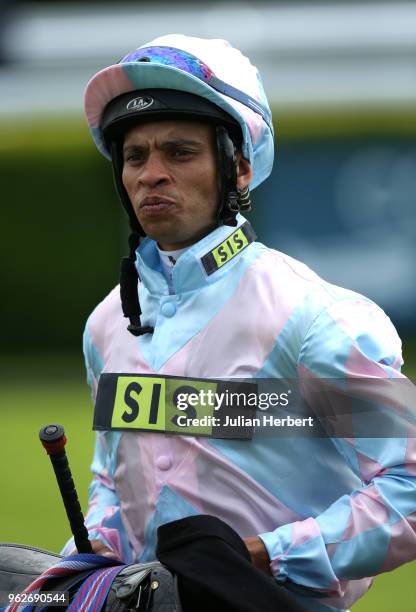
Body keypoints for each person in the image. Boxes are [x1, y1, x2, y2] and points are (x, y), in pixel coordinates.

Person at [63, 34, 416, 611]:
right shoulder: (106, 323)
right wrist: (91, 558)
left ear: (240, 169)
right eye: (135, 156)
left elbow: (411, 490)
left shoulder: (318, 318)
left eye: (180, 153)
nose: (152, 174)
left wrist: (261, 554)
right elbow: (112, 478)